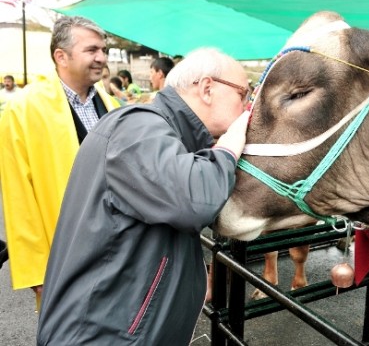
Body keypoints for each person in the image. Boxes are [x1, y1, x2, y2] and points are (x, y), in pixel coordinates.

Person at [37, 47, 251, 345]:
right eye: (244, 94)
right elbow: (193, 200)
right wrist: (228, 149)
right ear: (206, 89)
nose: (247, 106)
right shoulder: (137, 126)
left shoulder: (157, 129)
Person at [0, 15, 118, 310]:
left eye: (102, 50)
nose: (101, 58)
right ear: (60, 56)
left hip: (116, 249)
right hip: (65, 255)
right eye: (92, 50)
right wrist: (37, 270)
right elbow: (18, 197)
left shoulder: (109, 103)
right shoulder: (23, 109)